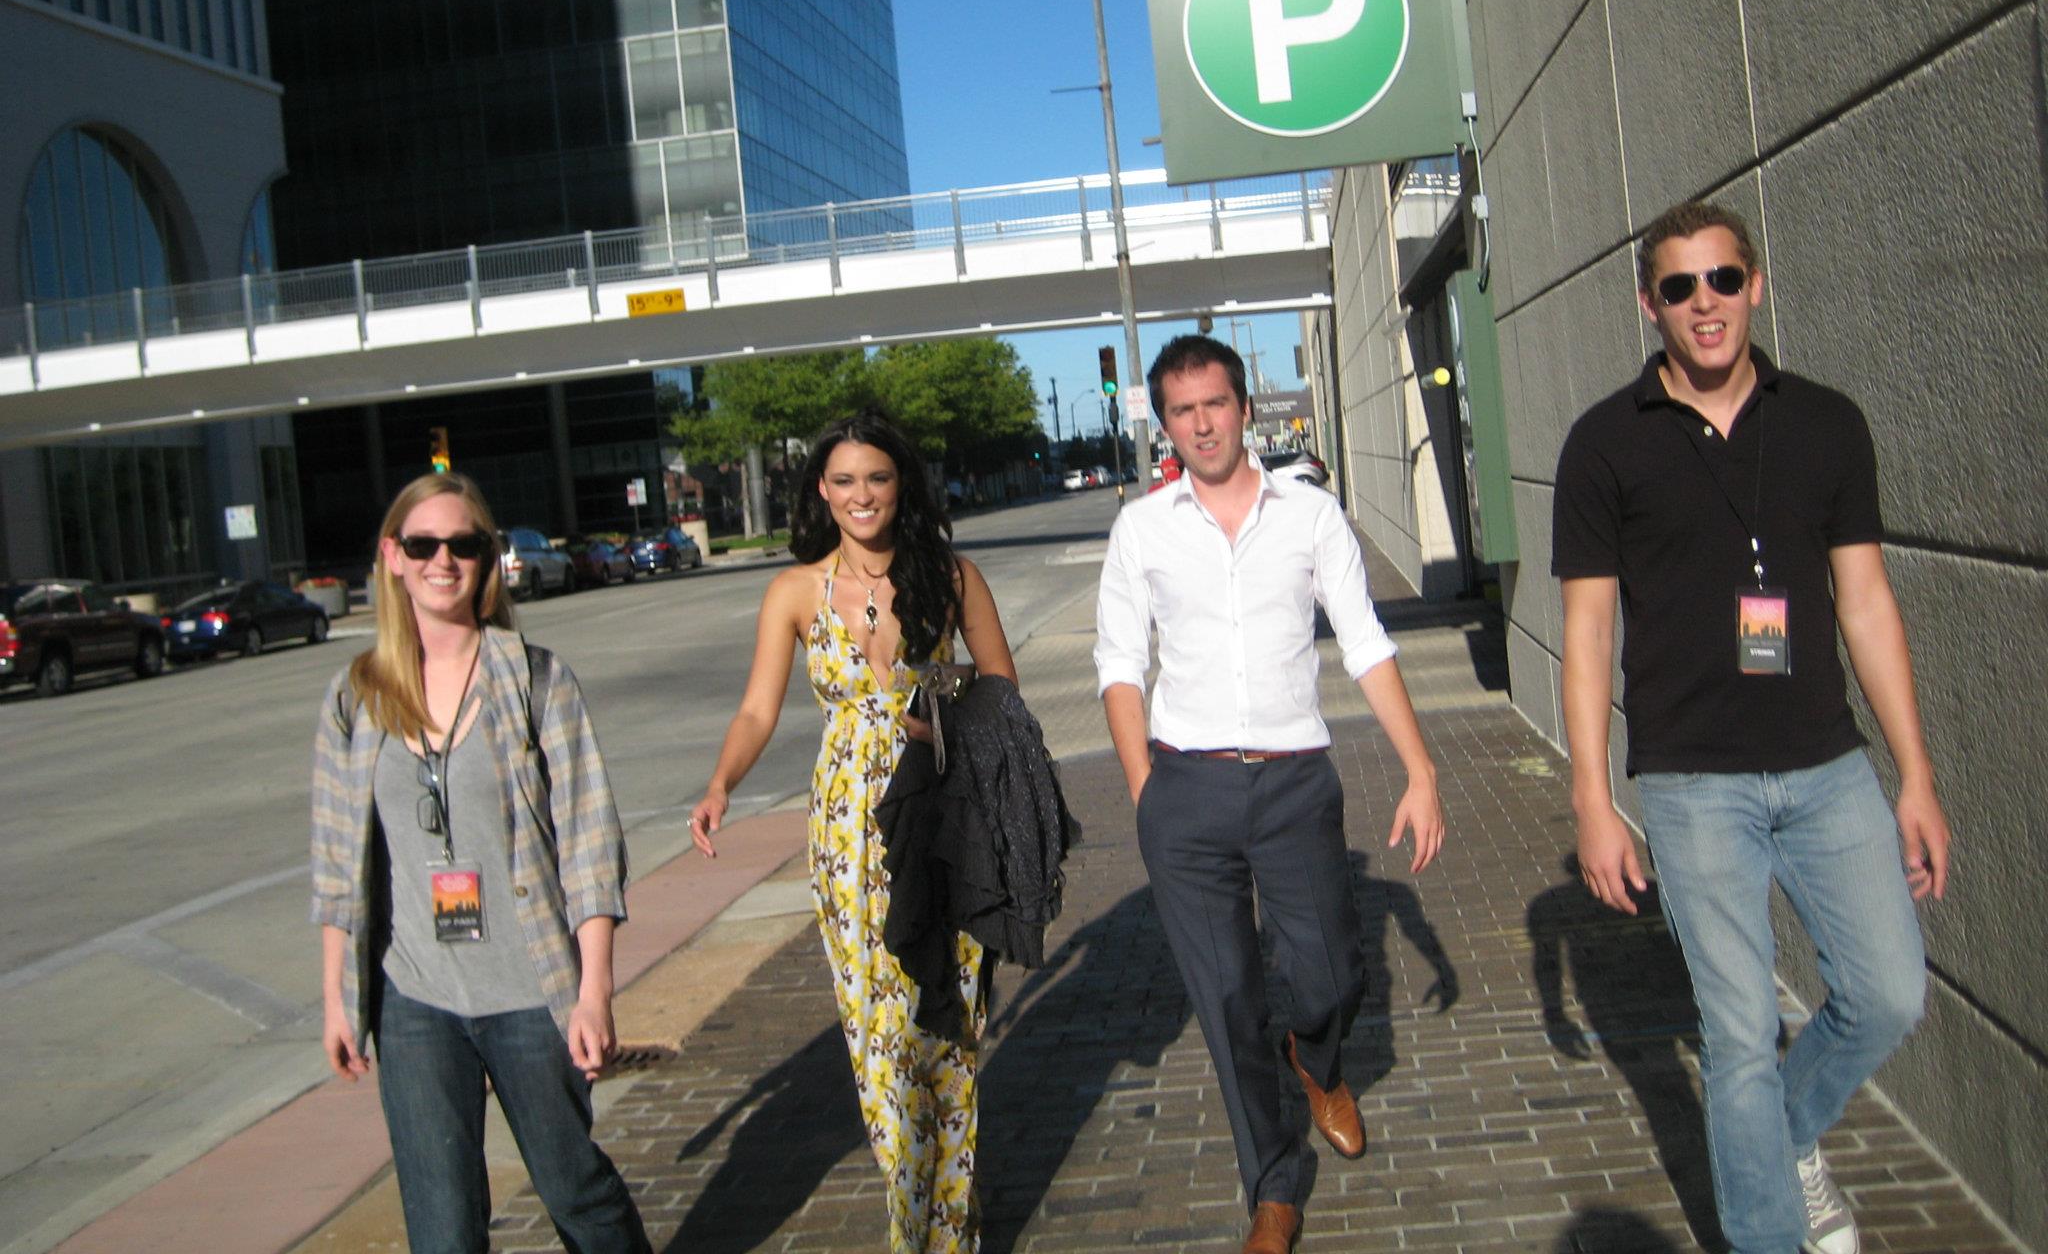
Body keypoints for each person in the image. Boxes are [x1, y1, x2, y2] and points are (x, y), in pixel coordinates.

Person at [1554, 200, 1950, 1254]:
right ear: (1649, 305)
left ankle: (1777, 1143)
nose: (1703, 304)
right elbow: (1587, 632)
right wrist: (1593, 801)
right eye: (1678, 288)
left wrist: (1912, 775)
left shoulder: (1825, 423)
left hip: (1826, 768)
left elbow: (1862, 602)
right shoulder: (1603, 444)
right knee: (1733, 1040)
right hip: (1690, 787)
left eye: (1721, 279)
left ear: (1753, 285)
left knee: (1884, 995)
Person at [1093, 334, 1445, 1254]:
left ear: (1247, 408)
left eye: (1216, 403)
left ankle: (1319, 1058)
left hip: (1294, 785)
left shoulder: (1310, 515)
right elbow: (1119, 666)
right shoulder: (1143, 527)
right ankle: (1276, 1185)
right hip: (1187, 790)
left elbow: (1364, 640)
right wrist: (1146, 793)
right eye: (1183, 410)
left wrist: (1422, 770)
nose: (1202, 423)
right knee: (1227, 1001)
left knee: (1327, 970)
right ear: (1165, 423)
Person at [689, 407, 1019, 1253]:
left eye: (876, 477)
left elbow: (1001, 687)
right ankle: (918, 1224)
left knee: (946, 1025)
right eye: (843, 481)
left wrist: (937, 706)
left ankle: (949, 1227)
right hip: (848, 836)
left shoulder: (950, 576)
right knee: (880, 1036)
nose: (861, 495)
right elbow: (759, 707)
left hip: (943, 817)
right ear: (821, 492)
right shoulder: (794, 592)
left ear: (899, 482)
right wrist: (721, 782)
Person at [310, 473, 648, 1254]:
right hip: (414, 1000)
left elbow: (591, 842)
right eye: (423, 545)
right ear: (393, 557)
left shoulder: (535, 678)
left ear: (487, 558)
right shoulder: (355, 697)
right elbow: (336, 864)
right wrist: (336, 997)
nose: (443, 561)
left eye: (463, 544)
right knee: (442, 1225)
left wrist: (594, 992)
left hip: (531, 991)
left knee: (576, 1192)